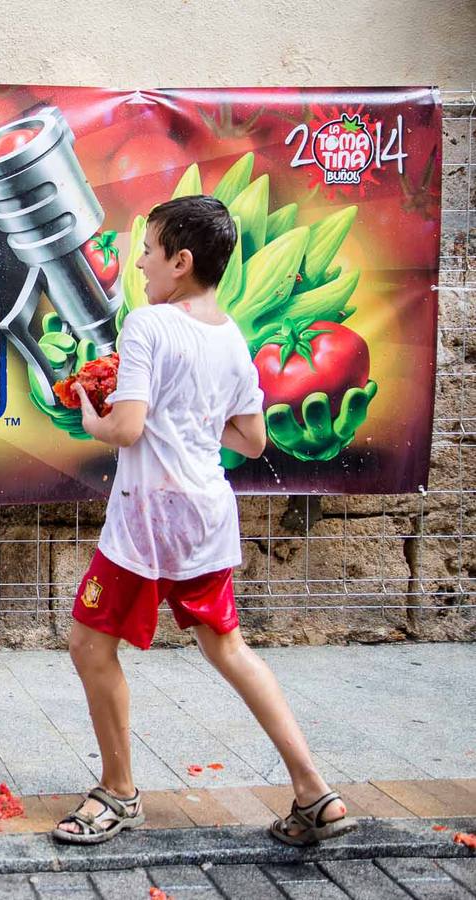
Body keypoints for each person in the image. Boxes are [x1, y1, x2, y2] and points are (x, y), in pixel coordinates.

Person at [52, 196, 356, 847]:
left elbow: (128, 427)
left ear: (180, 262)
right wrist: (186, 412)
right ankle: (314, 791)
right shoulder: (230, 335)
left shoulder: (147, 326)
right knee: (227, 647)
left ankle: (119, 790)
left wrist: (91, 417)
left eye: (149, 250)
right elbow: (251, 439)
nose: (139, 262)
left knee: (88, 642)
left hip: (147, 523)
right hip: (208, 517)